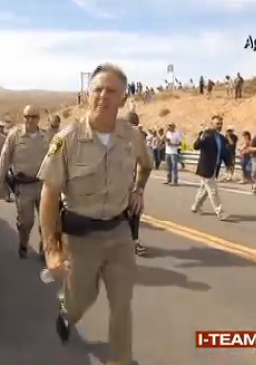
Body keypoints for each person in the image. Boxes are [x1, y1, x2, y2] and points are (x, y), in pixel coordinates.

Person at [37, 63, 153, 365]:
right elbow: (49, 195)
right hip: (80, 237)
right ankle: (67, 313)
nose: (102, 95)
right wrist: (51, 249)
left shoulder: (133, 136)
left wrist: (138, 190)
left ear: (124, 99)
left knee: (122, 304)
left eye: (111, 90)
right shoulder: (67, 139)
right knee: (80, 299)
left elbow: (148, 164)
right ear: (87, 94)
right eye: (97, 89)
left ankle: (121, 360)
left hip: (119, 234)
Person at [0, 105, 51, 260]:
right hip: (24, 187)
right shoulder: (15, 136)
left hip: (43, 185)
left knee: (46, 221)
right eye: (26, 117)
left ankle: (44, 251)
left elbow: (55, 158)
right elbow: (4, 158)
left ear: (38, 118)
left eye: (33, 117)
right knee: (26, 222)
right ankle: (23, 243)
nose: (29, 120)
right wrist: (1, 184)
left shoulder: (46, 137)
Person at [190, 116, 232, 221]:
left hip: (214, 168)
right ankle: (220, 213)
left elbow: (224, 153)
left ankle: (196, 206)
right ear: (212, 124)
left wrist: (229, 165)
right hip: (205, 168)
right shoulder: (206, 135)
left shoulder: (222, 138)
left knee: (204, 189)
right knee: (213, 191)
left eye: (221, 123)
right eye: (217, 123)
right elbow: (196, 146)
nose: (219, 126)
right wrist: (203, 134)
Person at [125, 111, 148, 256]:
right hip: (127, 182)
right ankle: (133, 242)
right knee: (133, 213)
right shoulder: (136, 137)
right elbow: (146, 163)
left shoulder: (115, 133)